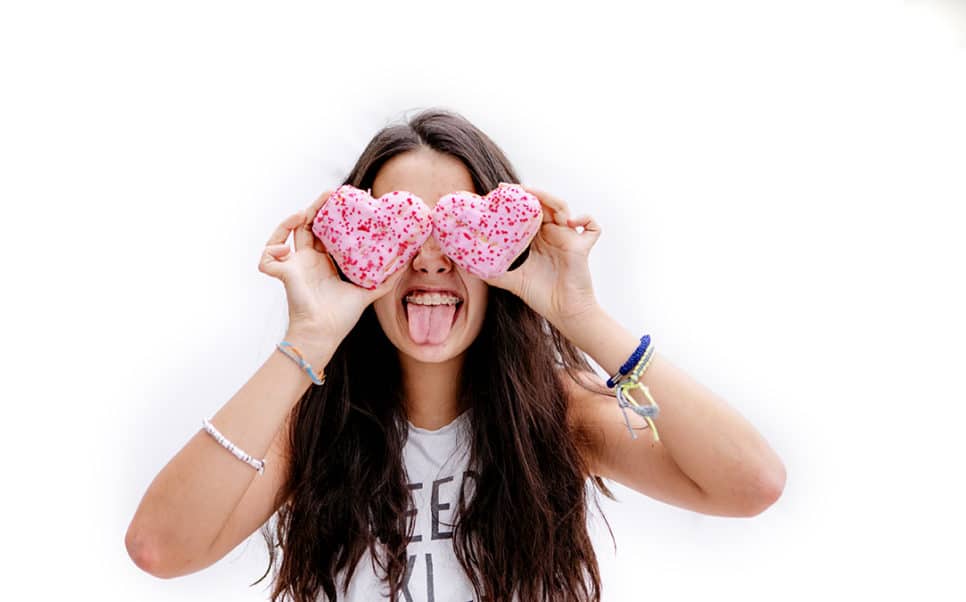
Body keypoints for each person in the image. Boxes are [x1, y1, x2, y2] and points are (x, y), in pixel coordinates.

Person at [124, 108, 787, 601]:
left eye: (457, 227)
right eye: (400, 228)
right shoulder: (311, 425)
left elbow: (751, 484)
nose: (432, 258)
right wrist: (308, 340)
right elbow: (159, 548)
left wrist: (578, 314)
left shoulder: (558, 413)